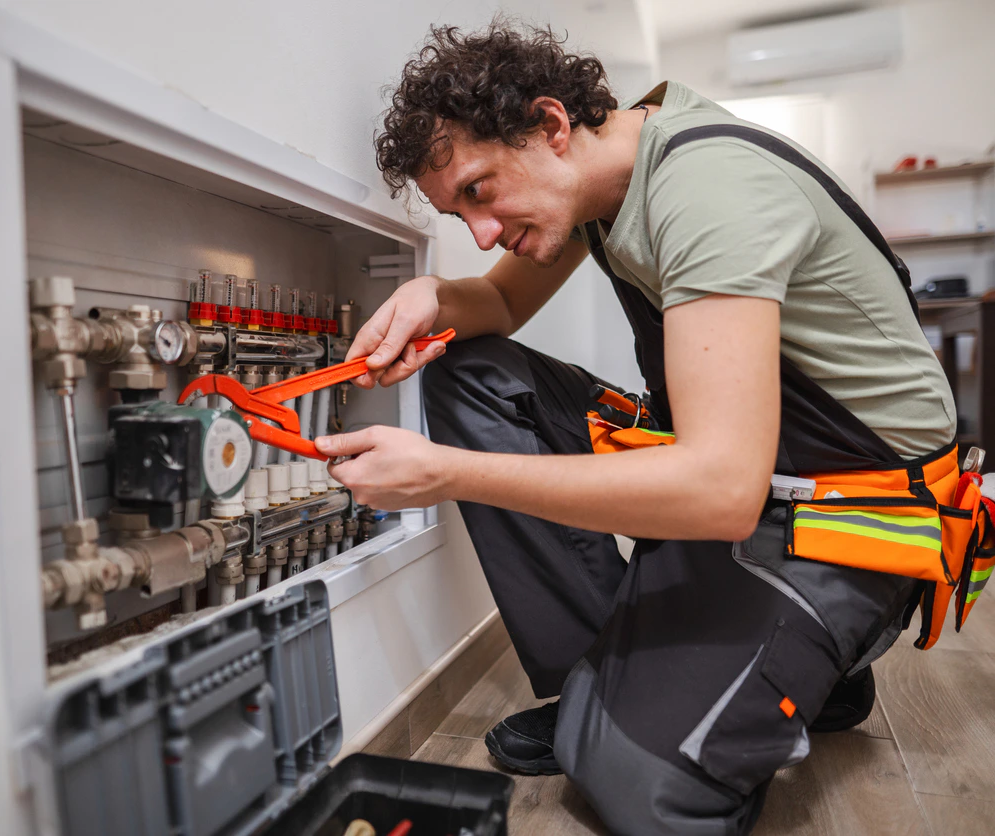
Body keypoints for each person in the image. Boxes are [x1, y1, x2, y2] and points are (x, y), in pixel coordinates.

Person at [314, 21, 961, 835]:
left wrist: (445, 472)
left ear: (551, 126)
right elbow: (505, 303)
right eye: (456, 211)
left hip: (847, 519)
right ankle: (609, 678)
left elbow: (720, 491)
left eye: (478, 191)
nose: (477, 231)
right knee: (468, 368)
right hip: (756, 480)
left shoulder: (705, 186)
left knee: (647, 788)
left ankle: (814, 652)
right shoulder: (609, 172)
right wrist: (435, 298)